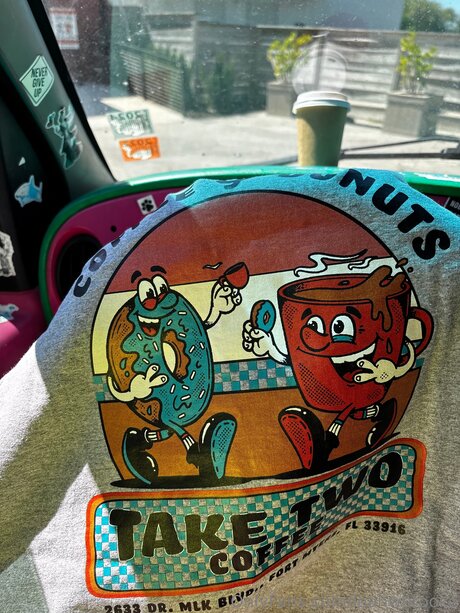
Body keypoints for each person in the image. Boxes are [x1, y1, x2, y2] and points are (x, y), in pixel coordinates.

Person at [0, 168, 458, 612]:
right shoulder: (448, 268)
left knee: (345, 404)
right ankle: (187, 446)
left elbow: (17, 451)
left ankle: (335, 430)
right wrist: (141, 381)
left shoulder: (92, 310)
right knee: (179, 416)